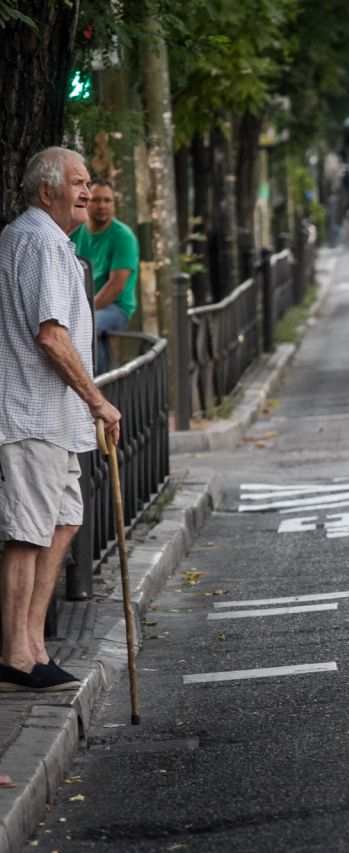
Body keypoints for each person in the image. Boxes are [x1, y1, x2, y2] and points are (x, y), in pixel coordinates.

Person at [0, 147, 122, 692]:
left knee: (63, 521)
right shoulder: (41, 242)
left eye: (88, 182)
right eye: (76, 182)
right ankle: (16, 655)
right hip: (32, 414)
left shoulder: (49, 242)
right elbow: (51, 336)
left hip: (54, 419)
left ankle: (33, 647)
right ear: (46, 190)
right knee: (28, 533)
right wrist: (98, 401)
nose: (86, 192)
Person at [70, 178, 140, 372]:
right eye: (96, 199)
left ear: (114, 205)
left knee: (90, 325)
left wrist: (84, 311)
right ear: (86, 202)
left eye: (107, 200)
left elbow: (116, 286)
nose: (102, 205)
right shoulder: (75, 232)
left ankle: (98, 382)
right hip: (81, 303)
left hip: (115, 307)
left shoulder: (123, 236)